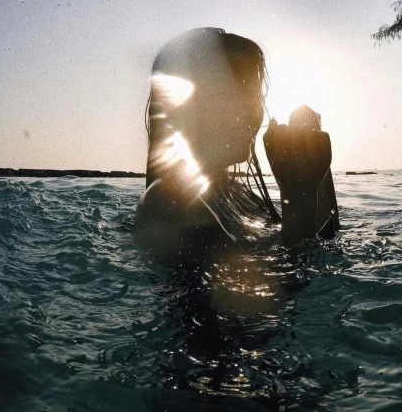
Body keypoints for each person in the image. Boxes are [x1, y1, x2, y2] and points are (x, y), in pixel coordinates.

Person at [135, 27, 339, 258]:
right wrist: (299, 198)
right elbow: (268, 287)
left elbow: (325, 242)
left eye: (254, 95)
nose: (252, 110)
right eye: (232, 94)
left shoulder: (239, 195)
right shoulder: (167, 204)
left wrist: (312, 163)